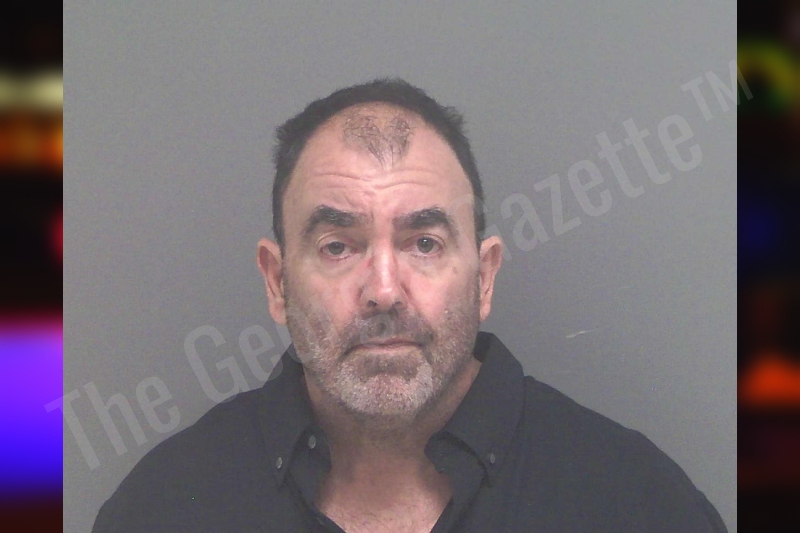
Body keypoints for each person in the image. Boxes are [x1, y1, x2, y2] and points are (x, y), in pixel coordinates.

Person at [93, 79, 727, 532]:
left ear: (484, 278)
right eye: (338, 246)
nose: (385, 290)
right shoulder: (163, 508)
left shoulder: (634, 503)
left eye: (424, 243)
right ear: (277, 282)